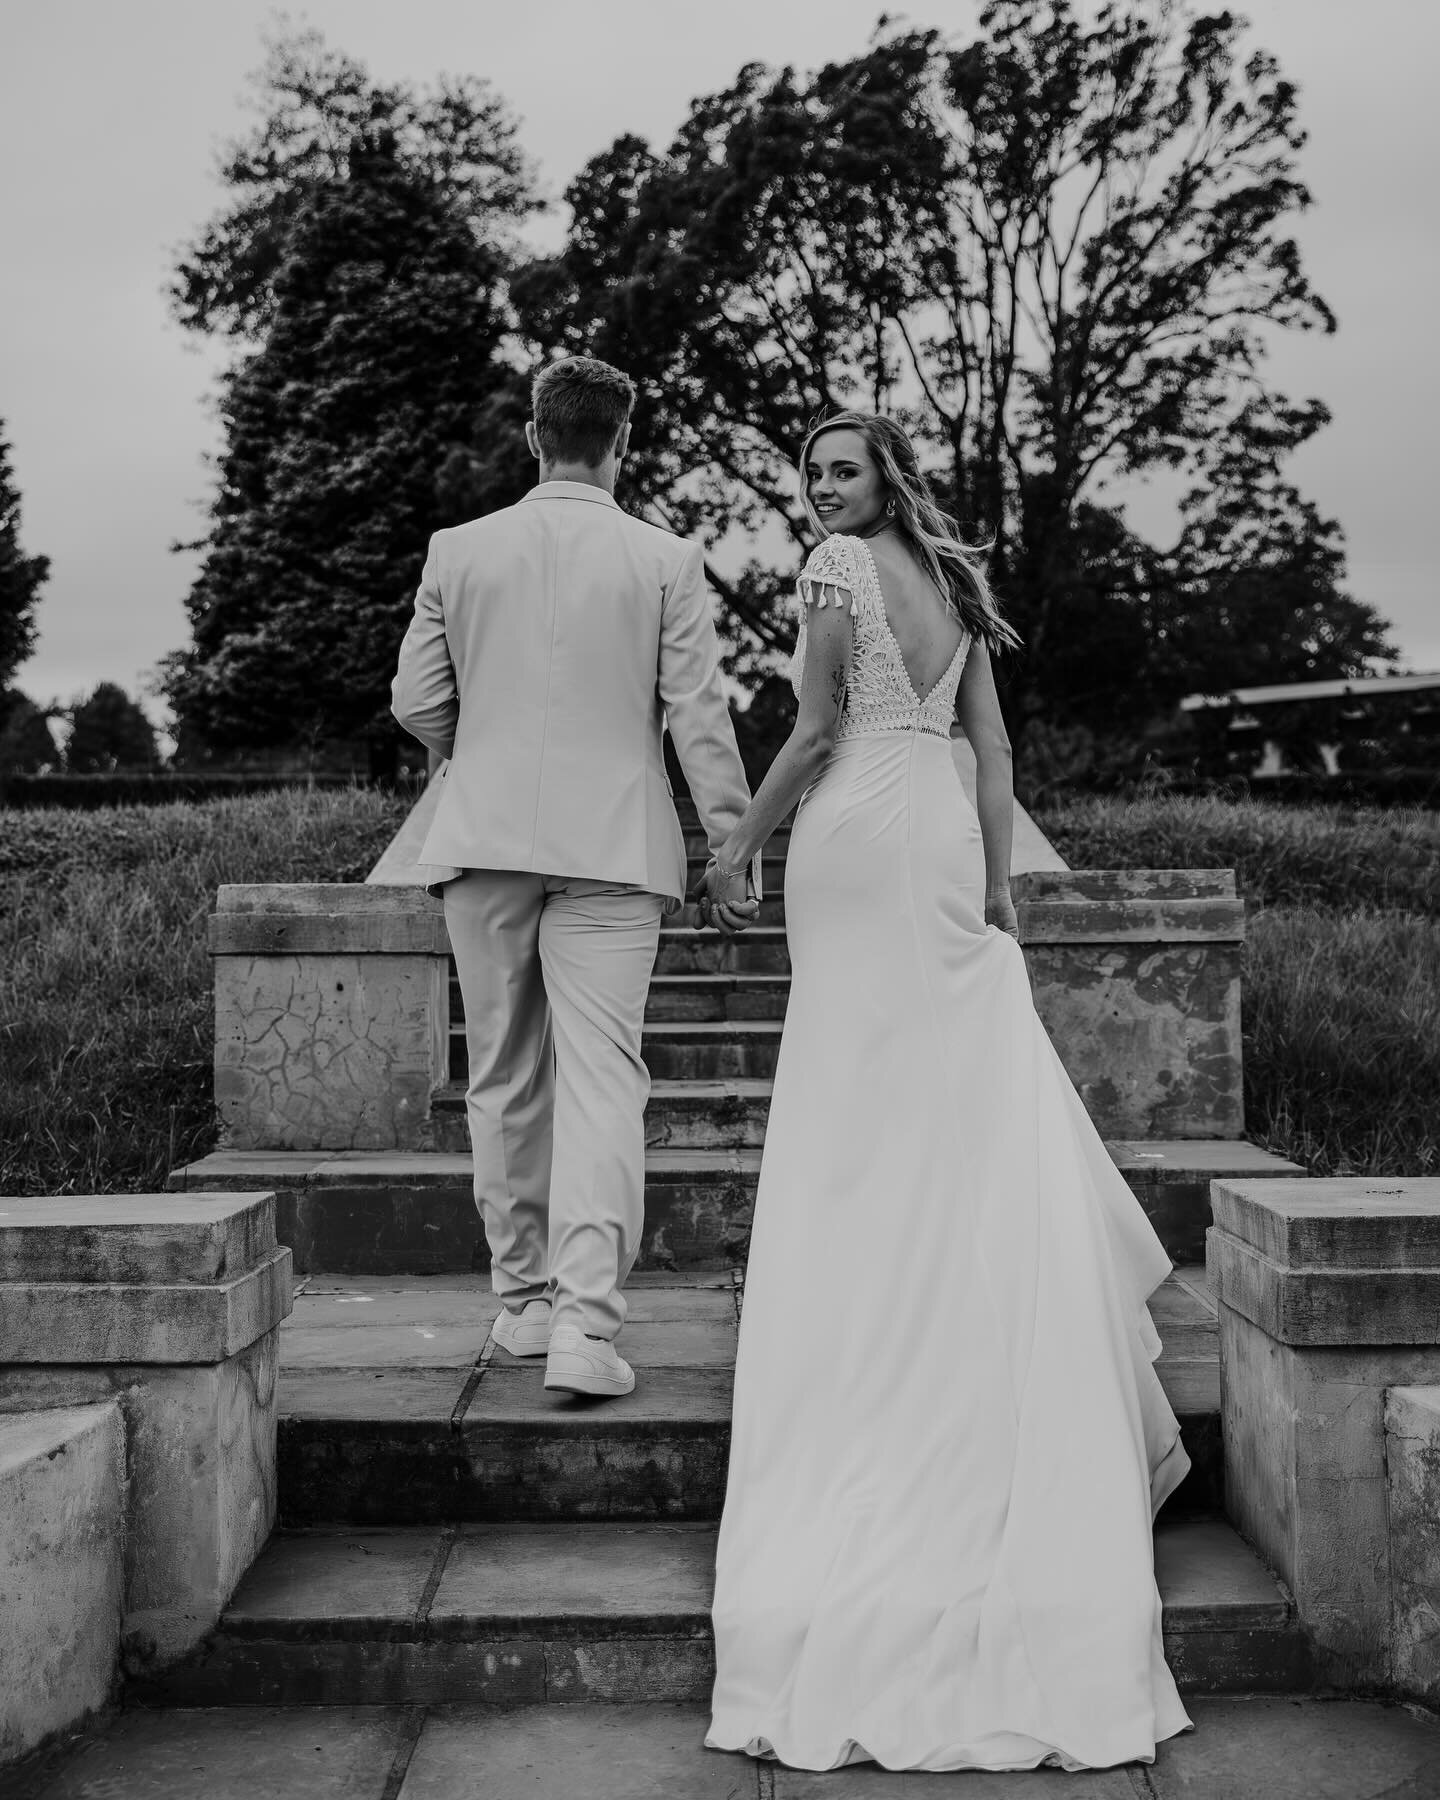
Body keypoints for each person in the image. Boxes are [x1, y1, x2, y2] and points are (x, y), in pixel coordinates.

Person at [700, 412, 1194, 1773]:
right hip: (926, 833)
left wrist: (740, 844)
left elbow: (807, 733)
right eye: (811, 472)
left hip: (854, 829)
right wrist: (988, 891)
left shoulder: (830, 569)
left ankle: (875, 1308)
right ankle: (953, 1287)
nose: (821, 488)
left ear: (883, 478)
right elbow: (990, 757)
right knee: (935, 1069)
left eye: (841, 469)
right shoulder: (956, 592)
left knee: (858, 1086)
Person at [391, 355, 759, 1400]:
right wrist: (728, 847)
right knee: (604, 1082)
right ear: (622, 441)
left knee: (503, 1075)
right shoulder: (664, 557)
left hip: (484, 840)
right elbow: (698, 713)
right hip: (613, 850)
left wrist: (485, 745)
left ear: (533, 437)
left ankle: (521, 1305)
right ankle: (587, 1332)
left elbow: (416, 701)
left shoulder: (458, 550)